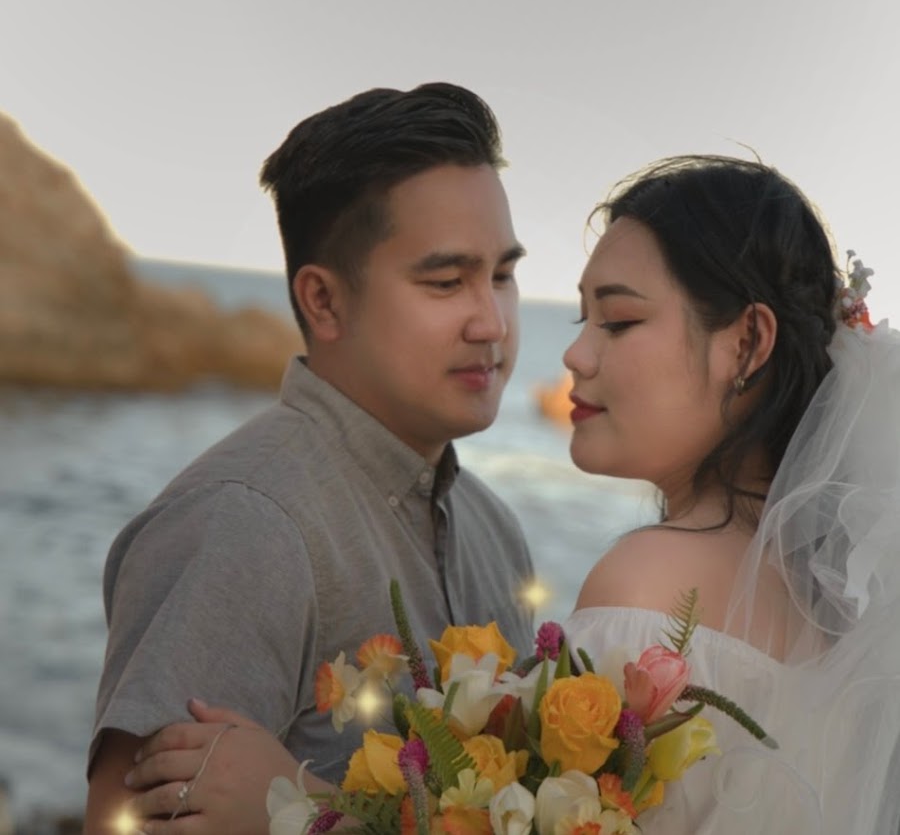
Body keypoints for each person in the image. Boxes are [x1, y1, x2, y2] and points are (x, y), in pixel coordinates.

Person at [122, 155, 900, 835]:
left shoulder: (650, 584)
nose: (573, 354)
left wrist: (295, 805)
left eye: (619, 320)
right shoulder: (840, 608)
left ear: (749, 342)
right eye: (582, 317)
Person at [83, 82, 536, 834]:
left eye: (502, 276)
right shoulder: (244, 524)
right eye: (446, 282)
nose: (491, 322)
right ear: (323, 301)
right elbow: (125, 823)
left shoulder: (494, 530)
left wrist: (308, 808)